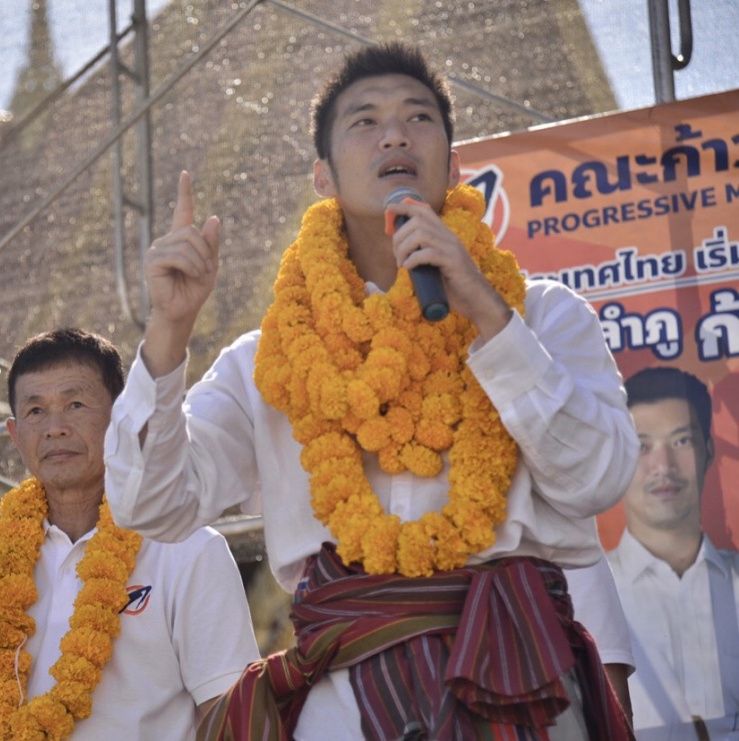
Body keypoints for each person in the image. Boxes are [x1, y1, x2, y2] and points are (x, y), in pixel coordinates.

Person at [104, 42, 639, 739]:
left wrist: (484, 310)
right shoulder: (268, 359)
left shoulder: (541, 316)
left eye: (418, 117)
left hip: (521, 671)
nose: (393, 133)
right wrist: (170, 330)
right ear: (323, 176)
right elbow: (150, 503)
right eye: (365, 121)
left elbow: (597, 479)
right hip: (346, 697)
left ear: (452, 166)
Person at [0, 329, 259, 741]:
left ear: (122, 419)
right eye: (35, 412)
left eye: (75, 404)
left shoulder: (188, 552)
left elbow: (234, 718)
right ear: (15, 435)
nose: (54, 428)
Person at [608, 366, 739, 740]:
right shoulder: (587, 597)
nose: (662, 467)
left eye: (681, 441)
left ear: (708, 451)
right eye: (642, 446)